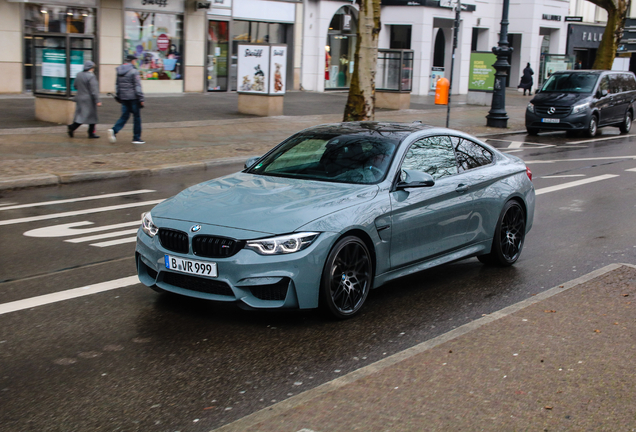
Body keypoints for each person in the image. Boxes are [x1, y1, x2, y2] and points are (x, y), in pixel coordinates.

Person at [108, 54, 145, 145]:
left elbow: (117, 85)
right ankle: (136, 137)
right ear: (132, 61)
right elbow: (137, 86)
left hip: (124, 98)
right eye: (135, 60)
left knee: (125, 116)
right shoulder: (134, 71)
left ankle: (114, 130)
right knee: (137, 117)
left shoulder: (119, 70)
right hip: (133, 98)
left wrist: (119, 96)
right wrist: (141, 98)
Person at [67, 61, 101, 139]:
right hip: (88, 99)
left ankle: (89, 132)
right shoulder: (91, 76)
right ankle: (73, 127)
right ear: (91, 68)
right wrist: (97, 100)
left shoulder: (79, 75)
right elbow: (94, 90)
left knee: (81, 115)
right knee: (89, 116)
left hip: (79, 97)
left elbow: (75, 86)